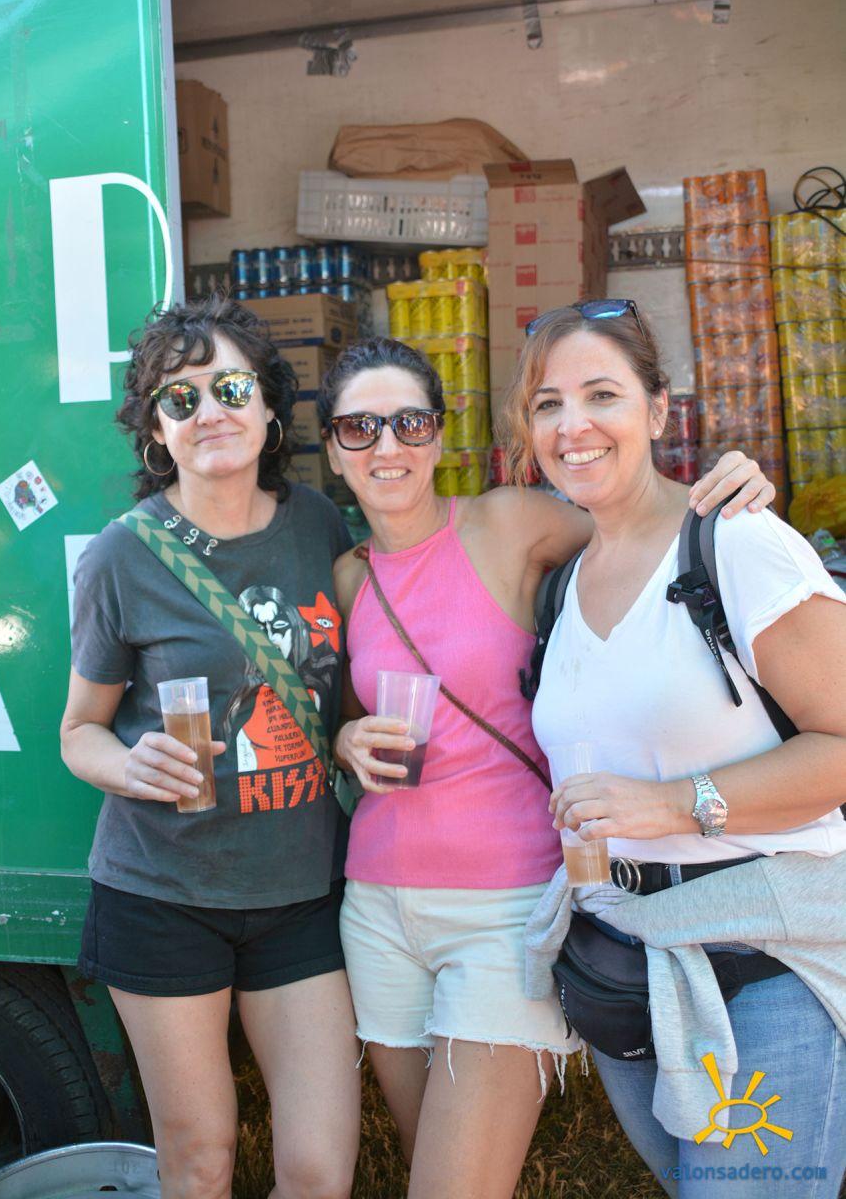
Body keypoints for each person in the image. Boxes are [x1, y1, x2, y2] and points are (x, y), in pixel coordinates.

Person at [318, 335, 774, 1199]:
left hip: (508, 907)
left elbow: (645, 522)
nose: (386, 446)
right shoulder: (348, 576)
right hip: (377, 906)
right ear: (333, 451)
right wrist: (344, 740)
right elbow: (349, 712)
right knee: (428, 1164)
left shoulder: (508, 521)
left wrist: (726, 488)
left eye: (409, 422)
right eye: (359, 428)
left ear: (439, 436)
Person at [502, 301, 846, 1198]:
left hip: (760, 968)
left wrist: (670, 803)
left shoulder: (735, 542)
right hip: (628, 967)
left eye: (600, 395)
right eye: (546, 404)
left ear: (657, 410)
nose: (572, 426)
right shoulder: (562, 587)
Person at [60, 295, 359, 1199]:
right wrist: (128, 763)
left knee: (318, 1170)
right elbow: (78, 732)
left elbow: (345, 683)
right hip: (162, 893)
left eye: (229, 388)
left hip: (299, 892)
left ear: (268, 407)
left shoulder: (319, 525)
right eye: (179, 398)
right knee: (200, 1164)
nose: (209, 412)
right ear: (156, 431)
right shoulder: (122, 556)